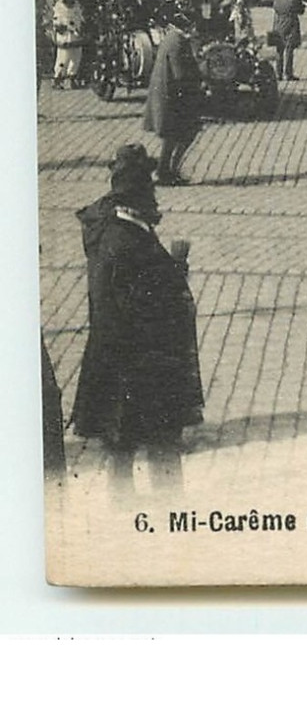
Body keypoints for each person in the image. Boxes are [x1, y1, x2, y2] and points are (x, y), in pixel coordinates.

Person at [70, 144, 202, 497]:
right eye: (151, 193)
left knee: (121, 448)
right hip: (141, 366)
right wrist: (174, 275)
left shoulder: (110, 228)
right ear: (139, 198)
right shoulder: (127, 242)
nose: (156, 203)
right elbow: (142, 306)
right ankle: (168, 515)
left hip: (113, 363)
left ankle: (123, 513)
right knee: (161, 449)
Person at [142, 12, 202, 186]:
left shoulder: (171, 38)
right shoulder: (178, 42)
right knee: (185, 133)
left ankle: (165, 170)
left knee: (172, 135)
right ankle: (168, 171)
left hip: (168, 94)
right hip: (174, 97)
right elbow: (180, 73)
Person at [269, 0, 303, 80]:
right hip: (290, 23)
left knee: (279, 50)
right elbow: (301, 11)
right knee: (289, 50)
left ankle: (278, 73)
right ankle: (288, 73)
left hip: (277, 23)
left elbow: (275, 8)